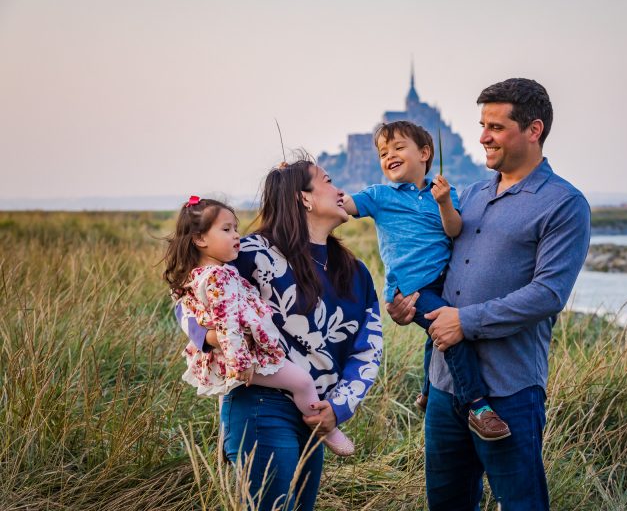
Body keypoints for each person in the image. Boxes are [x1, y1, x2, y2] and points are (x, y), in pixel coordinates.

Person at [387, 78, 591, 510]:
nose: (482, 136)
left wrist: (465, 321)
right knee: (447, 503)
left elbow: (548, 294)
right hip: (444, 385)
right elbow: (439, 267)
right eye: (482, 124)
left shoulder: (563, 204)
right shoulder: (472, 195)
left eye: (495, 127)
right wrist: (406, 304)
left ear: (533, 130)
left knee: (521, 503)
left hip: (509, 387)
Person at [176, 158, 382, 510]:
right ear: (304, 198)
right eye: (329, 181)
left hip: (316, 414)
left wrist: (338, 408)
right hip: (261, 403)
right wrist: (211, 338)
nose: (341, 191)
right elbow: (190, 297)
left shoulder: (355, 270)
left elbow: (369, 345)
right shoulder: (253, 254)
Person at [342, 120, 510, 441]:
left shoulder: (443, 192)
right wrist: (303, 187)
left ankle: (428, 392)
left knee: (435, 337)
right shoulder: (380, 196)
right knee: (450, 334)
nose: (389, 155)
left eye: (398, 147)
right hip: (411, 290)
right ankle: (477, 406)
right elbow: (344, 205)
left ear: (424, 153)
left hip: (441, 282)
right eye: (383, 152)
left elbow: (454, 230)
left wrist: (445, 201)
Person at [164, 195, 355, 456]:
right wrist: (240, 362)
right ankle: (325, 428)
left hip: (231, 356)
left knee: (227, 396)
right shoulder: (219, 277)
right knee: (302, 382)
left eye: (236, 228)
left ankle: (226, 438)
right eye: (226, 229)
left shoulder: (197, 275)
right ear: (200, 239)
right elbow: (227, 323)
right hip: (244, 357)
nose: (236, 236)